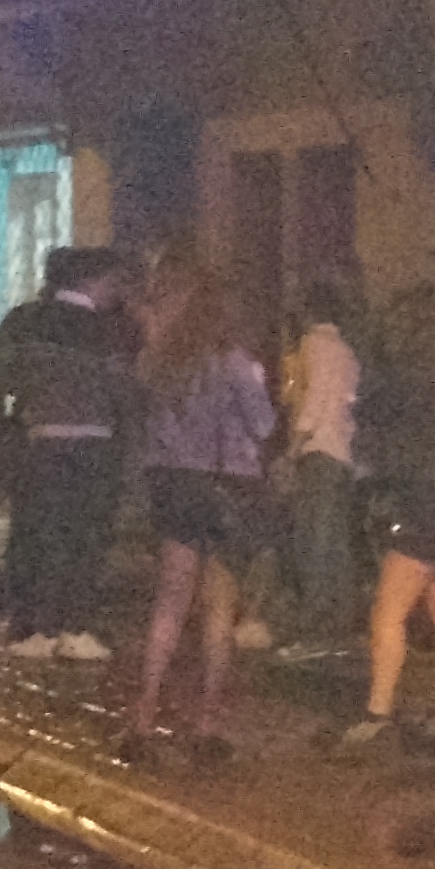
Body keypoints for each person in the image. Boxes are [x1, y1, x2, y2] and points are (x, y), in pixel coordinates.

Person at [115, 264, 273, 765]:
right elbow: (263, 425)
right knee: (218, 607)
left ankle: (143, 716)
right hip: (224, 488)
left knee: (169, 602)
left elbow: (146, 424)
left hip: (172, 485)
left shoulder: (161, 362)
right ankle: (206, 724)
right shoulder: (235, 362)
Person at [325, 280, 435, 755]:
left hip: (416, 505)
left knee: (388, 615)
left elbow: (378, 441)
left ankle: (378, 713)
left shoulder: (401, 383)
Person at [0, 246, 136, 661]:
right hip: (96, 444)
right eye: (112, 281)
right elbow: (126, 393)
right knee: (84, 536)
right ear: (91, 280)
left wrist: (6, 430)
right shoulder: (111, 329)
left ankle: (30, 628)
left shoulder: (23, 320)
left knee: (34, 532)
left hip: (38, 440)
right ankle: (74, 627)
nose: (116, 291)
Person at [274, 270, 364, 647]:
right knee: (335, 538)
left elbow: (313, 403)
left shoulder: (313, 344)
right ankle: (341, 616)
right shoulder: (346, 350)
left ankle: (312, 619)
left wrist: (292, 450)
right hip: (342, 451)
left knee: (312, 537)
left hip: (319, 451)